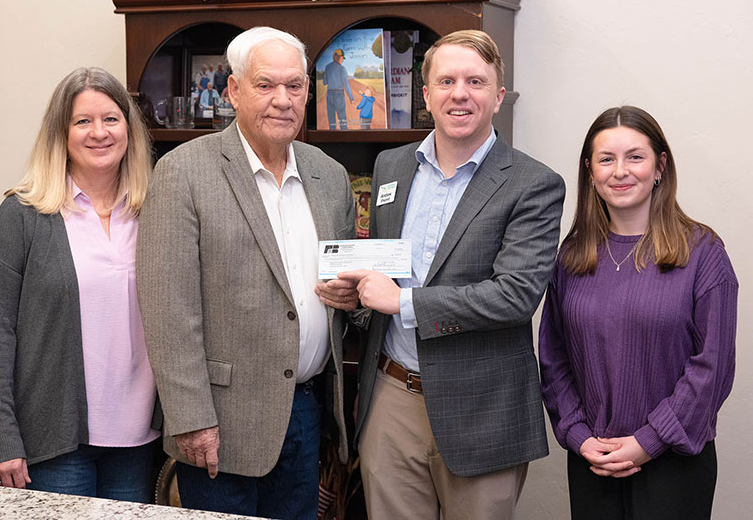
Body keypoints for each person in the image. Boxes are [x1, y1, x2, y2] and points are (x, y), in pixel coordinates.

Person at [318, 29, 565, 520]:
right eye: (446, 81)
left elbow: (514, 297)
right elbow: (389, 267)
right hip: (390, 397)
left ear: (498, 96)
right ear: (426, 95)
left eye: (475, 81)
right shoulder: (391, 166)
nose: (460, 93)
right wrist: (358, 296)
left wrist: (402, 303)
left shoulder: (533, 184)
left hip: (482, 407)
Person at [136, 26, 357, 519]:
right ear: (233, 90)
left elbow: (344, 282)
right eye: (265, 85)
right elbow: (167, 308)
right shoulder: (183, 172)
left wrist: (352, 298)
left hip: (305, 410)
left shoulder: (330, 175)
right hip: (220, 420)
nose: (282, 100)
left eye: (295, 85)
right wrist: (191, 418)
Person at [538, 105, 737, 520]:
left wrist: (649, 440)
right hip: (593, 459)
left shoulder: (703, 254)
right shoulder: (572, 256)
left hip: (674, 463)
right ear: (590, 171)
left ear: (660, 165)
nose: (620, 171)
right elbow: (554, 360)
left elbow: (712, 368)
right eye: (606, 159)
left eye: (635, 157)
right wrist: (577, 435)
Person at [0, 67, 158, 501]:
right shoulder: (21, 214)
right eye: (83, 121)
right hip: (54, 442)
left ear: (129, 129)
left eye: (111, 119)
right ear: (61, 133)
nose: (99, 133)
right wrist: (1, 439)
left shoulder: (154, 211)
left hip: (138, 437)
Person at [322, 48, 354, 129]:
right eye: (342, 58)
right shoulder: (342, 69)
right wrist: (351, 98)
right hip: (339, 95)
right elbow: (346, 84)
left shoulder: (327, 67)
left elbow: (324, 82)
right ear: (340, 57)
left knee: (331, 120)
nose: (342, 60)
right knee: (342, 119)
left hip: (329, 95)